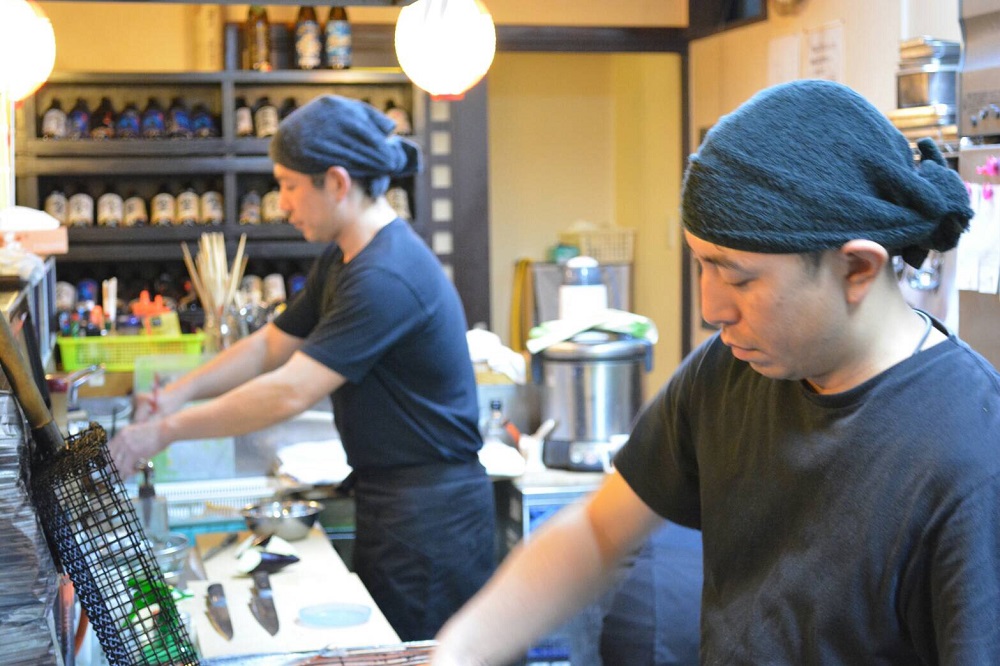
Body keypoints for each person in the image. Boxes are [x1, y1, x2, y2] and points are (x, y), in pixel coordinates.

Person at [431, 79, 1000, 665]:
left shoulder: (971, 457)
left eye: (739, 278)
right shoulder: (728, 372)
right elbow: (597, 534)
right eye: (701, 264)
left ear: (855, 268)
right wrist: (460, 650)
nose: (711, 310)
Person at [108, 95, 496, 641]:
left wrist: (162, 433)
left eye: (289, 184)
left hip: (433, 522)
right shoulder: (344, 258)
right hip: (396, 504)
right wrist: (176, 394)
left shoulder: (386, 276)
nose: (282, 203)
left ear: (336, 183)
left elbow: (289, 391)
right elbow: (272, 344)